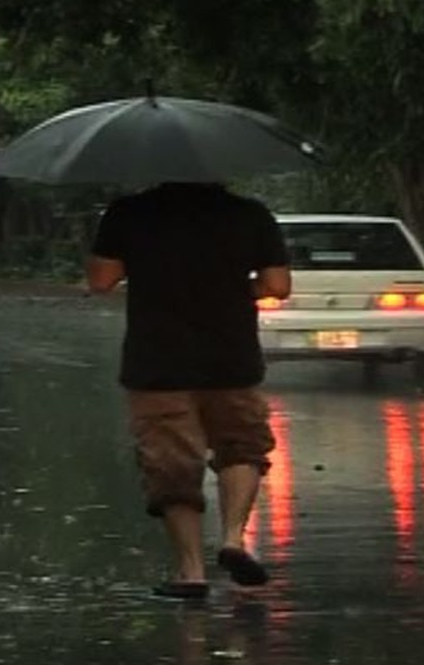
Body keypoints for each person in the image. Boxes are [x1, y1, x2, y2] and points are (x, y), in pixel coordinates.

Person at [87, 182, 291, 600]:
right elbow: (277, 285)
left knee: (172, 465)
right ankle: (233, 538)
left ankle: (191, 572)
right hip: (232, 357)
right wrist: (233, 290)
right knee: (242, 448)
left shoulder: (129, 212)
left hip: (158, 362)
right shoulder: (249, 212)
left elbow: (102, 280)